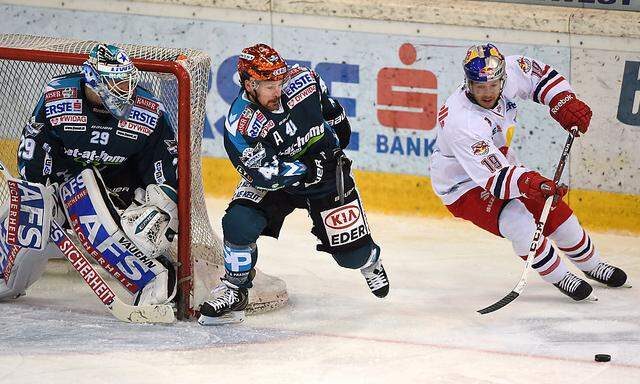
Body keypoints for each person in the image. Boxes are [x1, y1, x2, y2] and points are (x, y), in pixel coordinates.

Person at [198, 43, 389, 325]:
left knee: (353, 257)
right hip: (281, 180)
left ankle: (369, 260)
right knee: (238, 222)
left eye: (280, 81)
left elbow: (330, 110)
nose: (278, 91)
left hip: (326, 176)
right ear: (249, 84)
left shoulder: (305, 80)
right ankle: (235, 289)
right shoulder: (241, 125)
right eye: (269, 86)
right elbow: (265, 175)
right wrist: (308, 168)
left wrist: (335, 137)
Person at [430, 43, 629, 302]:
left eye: (492, 85)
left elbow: (540, 76)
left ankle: (592, 264)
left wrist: (562, 100)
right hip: (462, 186)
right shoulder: (462, 121)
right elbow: (494, 179)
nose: (487, 92)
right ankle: (561, 276)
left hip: (500, 165)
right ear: (468, 83)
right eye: (480, 86)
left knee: (550, 206)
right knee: (517, 220)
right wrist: (530, 182)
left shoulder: (509, 70)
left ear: (501, 78)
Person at [0, 43, 178, 305]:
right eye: (116, 84)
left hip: (119, 188)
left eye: (127, 83)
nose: (125, 92)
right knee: (28, 220)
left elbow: (162, 167)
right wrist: (39, 190)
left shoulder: (148, 111)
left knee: (137, 222)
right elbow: (36, 146)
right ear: (93, 80)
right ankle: (6, 276)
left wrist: (159, 205)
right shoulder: (59, 98)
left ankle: (155, 277)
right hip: (61, 182)